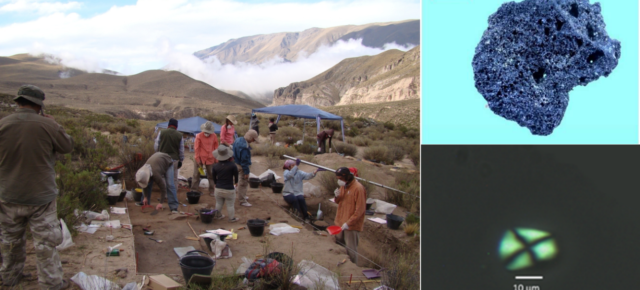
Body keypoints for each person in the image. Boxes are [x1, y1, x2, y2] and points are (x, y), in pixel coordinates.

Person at [0, 85, 73, 289]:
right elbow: (67, 147)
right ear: (39, 105)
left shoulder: (3, 124)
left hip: (8, 194)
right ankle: (50, 282)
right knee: (45, 242)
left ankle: (10, 277)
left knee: (10, 240)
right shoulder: (48, 125)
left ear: (18, 102)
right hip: (41, 196)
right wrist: (56, 125)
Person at [333, 167, 366, 266]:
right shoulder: (344, 186)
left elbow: (360, 210)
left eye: (341, 179)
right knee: (339, 247)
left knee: (351, 250)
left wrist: (348, 223)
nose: (339, 181)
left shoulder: (358, 188)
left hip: (351, 226)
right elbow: (338, 202)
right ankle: (342, 265)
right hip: (340, 222)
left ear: (347, 176)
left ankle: (353, 269)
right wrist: (336, 196)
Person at [282, 159, 318, 223]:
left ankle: (306, 217)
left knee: (301, 199)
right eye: (292, 165)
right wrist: (296, 166)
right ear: (288, 167)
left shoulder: (299, 172)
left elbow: (307, 176)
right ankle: (298, 217)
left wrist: (314, 172)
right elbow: (290, 175)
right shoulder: (286, 172)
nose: (295, 166)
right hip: (288, 193)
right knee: (294, 199)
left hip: (297, 192)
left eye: (294, 165)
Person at [211, 145, 239, 222]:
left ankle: (218, 215)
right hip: (229, 189)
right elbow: (236, 175)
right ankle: (231, 218)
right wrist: (236, 182)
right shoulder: (232, 166)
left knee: (219, 203)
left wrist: (215, 183)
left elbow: (213, 177)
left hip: (218, 188)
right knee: (230, 205)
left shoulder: (215, 166)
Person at [154, 118, 184, 188]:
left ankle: (164, 195)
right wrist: (181, 160)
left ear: (168, 125)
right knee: (174, 178)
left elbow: (156, 146)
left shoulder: (161, 132)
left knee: (163, 177)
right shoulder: (179, 135)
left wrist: (158, 155)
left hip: (162, 159)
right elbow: (181, 150)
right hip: (174, 160)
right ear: (176, 126)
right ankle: (173, 196)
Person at [232, 129, 259, 207]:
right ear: (251, 138)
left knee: (239, 181)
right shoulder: (244, 147)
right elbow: (244, 160)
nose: (254, 141)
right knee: (243, 182)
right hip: (241, 165)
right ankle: (242, 200)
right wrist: (246, 172)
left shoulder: (238, 139)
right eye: (254, 139)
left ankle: (242, 195)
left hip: (236, 163)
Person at [192, 121, 219, 196]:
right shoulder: (199, 136)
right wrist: (198, 159)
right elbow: (196, 148)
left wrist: (216, 159)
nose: (207, 133)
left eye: (208, 132)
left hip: (210, 158)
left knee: (211, 175)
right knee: (196, 174)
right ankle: (194, 189)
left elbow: (216, 147)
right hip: (200, 157)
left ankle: (211, 190)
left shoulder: (214, 136)